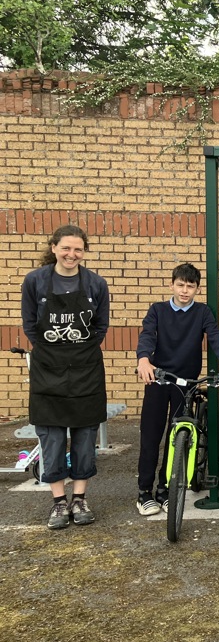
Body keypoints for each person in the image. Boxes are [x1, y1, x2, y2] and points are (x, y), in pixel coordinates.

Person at [21, 225, 109, 529]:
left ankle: (80, 498)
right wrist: (53, 352)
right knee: (53, 438)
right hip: (48, 370)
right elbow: (30, 326)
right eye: (66, 248)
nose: (72, 255)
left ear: (84, 252)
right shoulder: (34, 281)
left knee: (85, 438)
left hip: (86, 369)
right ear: (54, 247)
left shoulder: (96, 284)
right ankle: (59, 503)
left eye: (78, 250)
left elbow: (101, 327)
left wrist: (77, 353)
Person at [135, 263, 219, 515]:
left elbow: (214, 337)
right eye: (180, 285)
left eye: (190, 286)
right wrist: (143, 359)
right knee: (151, 437)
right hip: (159, 380)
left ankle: (165, 489)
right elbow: (147, 335)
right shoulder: (157, 310)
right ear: (171, 284)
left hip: (186, 384)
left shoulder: (202, 312)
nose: (184, 291)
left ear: (197, 288)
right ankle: (144, 493)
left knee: (176, 439)